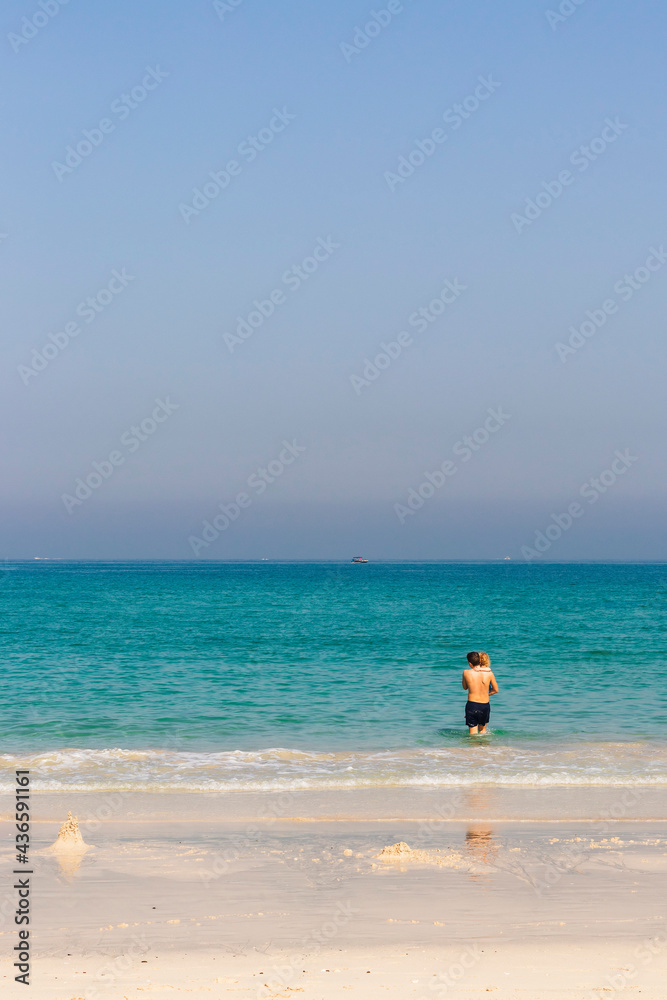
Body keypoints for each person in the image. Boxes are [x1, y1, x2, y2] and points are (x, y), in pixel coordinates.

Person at [462, 651, 498, 735]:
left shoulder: (466, 672)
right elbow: (496, 690)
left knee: (473, 734)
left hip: (472, 705)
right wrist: (486, 694)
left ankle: (473, 748)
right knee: (483, 732)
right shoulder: (489, 673)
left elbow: (465, 687)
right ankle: (484, 748)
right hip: (484, 705)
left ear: (470, 663)